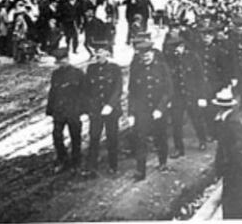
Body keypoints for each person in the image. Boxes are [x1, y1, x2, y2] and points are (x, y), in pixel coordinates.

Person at [128, 40, 173, 181]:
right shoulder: (136, 70)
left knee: (161, 136)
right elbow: (132, 92)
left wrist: (160, 108)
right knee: (140, 138)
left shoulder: (162, 67)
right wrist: (131, 112)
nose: (145, 57)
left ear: (152, 53)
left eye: (147, 54)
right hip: (142, 110)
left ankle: (163, 161)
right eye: (142, 55)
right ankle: (140, 171)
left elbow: (169, 90)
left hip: (158, 109)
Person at [84, 41, 123, 175]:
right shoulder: (91, 69)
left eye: (101, 51)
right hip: (95, 110)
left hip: (111, 110)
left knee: (112, 137)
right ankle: (92, 166)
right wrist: (89, 107)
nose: (98, 54)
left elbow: (118, 89)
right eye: (96, 51)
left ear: (107, 53)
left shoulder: (115, 68)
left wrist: (110, 105)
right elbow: (87, 90)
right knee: (94, 137)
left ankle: (113, 165)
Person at [46, 48, 86, 173]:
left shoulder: (78, 73)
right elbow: (53, 92)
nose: (62, 63)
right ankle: (62, 158)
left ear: (68, 59)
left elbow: (84, 93)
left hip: (73, 110)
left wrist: (81, 108)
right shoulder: (56, 74)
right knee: (57, 136)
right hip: (59, 110)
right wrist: (50, 108)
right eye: (59, 62)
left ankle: (76, 161)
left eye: (63, 60)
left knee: (75, 136)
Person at [212, 87, 242, 219]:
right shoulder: (224, 119)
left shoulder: (232, 123)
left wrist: (230, 162)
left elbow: (240, 143)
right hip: (228, 165)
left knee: (231, 199)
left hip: (233, 166)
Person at [170, 39, 206, 153]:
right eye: (174, 48)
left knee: (197, 119)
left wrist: (201, 96)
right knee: (176, 122)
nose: (176, 50)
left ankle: (202, 141)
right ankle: (178, 148)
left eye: (178, 47)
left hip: (192, 94)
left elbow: (200, 78)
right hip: (177, 96)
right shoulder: (170, 59)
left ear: (183, 46)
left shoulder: (192, 57)